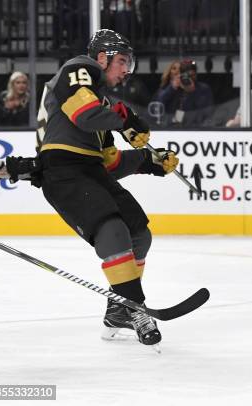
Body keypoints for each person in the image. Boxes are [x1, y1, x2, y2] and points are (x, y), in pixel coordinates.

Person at [36, 29, 180, 349]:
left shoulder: (100, 99)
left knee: (139, 232)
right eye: (122, 62)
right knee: (112, 228)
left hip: (89, 171)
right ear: (101, 57)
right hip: (62, 170)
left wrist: (148, 161)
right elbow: (85, 116)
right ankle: (135, 308)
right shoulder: (78, 68)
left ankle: (119, 310)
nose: (126, 70)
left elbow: (109, 161)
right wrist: (122, 117)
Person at [153, 59, 214, 127]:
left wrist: (192, 91)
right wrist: (172, 88)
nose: (189, 78)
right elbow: (158, 104)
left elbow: (206, 111)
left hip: (195, 127)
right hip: (170, 127)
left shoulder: (203, 88)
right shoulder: (169, 87)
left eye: (192, 75)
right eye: (174, 69)